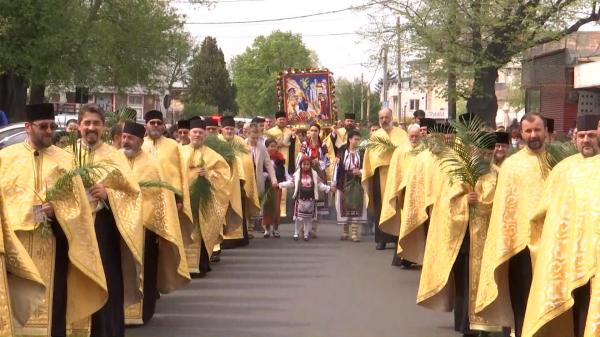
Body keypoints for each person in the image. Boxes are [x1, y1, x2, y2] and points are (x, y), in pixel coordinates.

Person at [0, 103, 106, 337]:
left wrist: (56, 210)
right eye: (43, 127)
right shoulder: (5, 158)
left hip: (53, 243)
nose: (49, 131)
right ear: (28, 127)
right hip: (15, 244)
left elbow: (79, 204)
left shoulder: (66, 160)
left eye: (52, 126)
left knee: (54, 304)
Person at [418, 130, 509, 336]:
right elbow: (446, 202)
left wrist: (485, 204)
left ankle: (486, 322)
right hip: (464, 237)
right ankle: (464, 323)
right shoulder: (458, 173)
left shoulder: (497, 173)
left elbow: (504, 203)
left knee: (485, 280)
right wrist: (463, 202)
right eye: (480, 152)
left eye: (488, 153)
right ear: (473, 151)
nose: (484, 157)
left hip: (487, 238)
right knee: (463, 280)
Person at [522, 115, 600, 337]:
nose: (586, 140)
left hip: (597, 259)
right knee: (573, 313)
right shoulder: (563, 170)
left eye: (591, 136)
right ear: (575, 138)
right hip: (566, 257)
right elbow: (542, 213)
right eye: (582, 136)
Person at [476, 113, 549, 337]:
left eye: (537, 130)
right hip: (521, 246)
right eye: (528, 131)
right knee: (523, 300)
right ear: (521, 134)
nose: (533, 135)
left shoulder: (557, 163)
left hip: (551, 243)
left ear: (545, 131)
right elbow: (503, 209)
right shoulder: (511, 166)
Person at [75, 103, 144, 337]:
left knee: (107, 283)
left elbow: (133, 194)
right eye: (87, 123)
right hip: (75, 231)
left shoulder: (115, 157)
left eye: (96, 123)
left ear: (104, 127)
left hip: (104, 229)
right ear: (79, 126)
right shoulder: (66, 155)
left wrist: (108, 195)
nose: (91, 127)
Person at [119, 121, 190, 325]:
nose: (126, 141)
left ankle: (144, 311)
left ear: (140, 141)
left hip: (145, 227)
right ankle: (120, 311)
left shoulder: (152, 165)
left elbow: (160, 197)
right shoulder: (114, 160)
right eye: (124, 137)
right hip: (118, 227)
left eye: (130, 138)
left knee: (146, 269)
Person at [181, 117, 231, 276]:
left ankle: (198, 266)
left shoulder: (213, 156)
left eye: (201, 133)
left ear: (205, 136)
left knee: (200, 232)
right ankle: (181, 268)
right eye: (195, 132)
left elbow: (224, 176)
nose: (197, 135)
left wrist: (208, 174)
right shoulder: (179, 152)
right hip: (182, 200)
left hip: (203, 201)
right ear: (189, 134)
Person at [141, 110, 194, 254]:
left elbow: (178, 173)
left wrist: (179, 198)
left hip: (168, 199)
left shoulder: (173, 146)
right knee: (146, 241)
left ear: (164, 126)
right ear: (146, 125)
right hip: (144, 200)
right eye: (152, 123)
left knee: (167, 240)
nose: (156, 125)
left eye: (159, 123)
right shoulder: (139, 145)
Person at [362, 107, 411, 250]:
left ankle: (397, 238)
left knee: (396, 205)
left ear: (391, 117)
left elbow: (406, 152)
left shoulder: (402, 134)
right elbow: (369, 156)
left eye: (386, 117)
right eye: (381, 118)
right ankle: (381, 239)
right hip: (380, 175)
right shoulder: (375, 135)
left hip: (397, 175)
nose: (384, 120)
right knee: (380, 207)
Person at [219, 116, 260, 248]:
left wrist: (242, 176)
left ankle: (238, 238)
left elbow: (246, 160)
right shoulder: (216, 142)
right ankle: (222, 237)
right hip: (221, 183)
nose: (229, 131)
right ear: (222, 129)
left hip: (238, 182)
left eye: (231, 129)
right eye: (227, 129)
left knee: (238, 208)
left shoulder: (240, 142)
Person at [279, 155, 334, 241]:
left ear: (310, 165)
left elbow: (319, 185)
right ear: (301, 164)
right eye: (304, 164)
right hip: (300, 199)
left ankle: (306, 234)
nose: (306, 166)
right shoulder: (297, 174)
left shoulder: (314, 174)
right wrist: (281, 185)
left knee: (308, 219)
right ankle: (296, 233)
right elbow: (291, 183)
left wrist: (329, 188)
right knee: (298, 218)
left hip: (310, 200)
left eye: (308, 164)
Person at [296, 123, 330, 238]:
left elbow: (328, 160)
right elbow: (299, 158)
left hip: (319, 173)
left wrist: (319, 162)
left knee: (317, 201)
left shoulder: (323, 145)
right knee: (304, 201)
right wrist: (309, 161)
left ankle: (313, 229)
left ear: (319, 132)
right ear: (308, 132)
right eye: (312, 130)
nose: (314, 132)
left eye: (316, 130)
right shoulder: (304, 144)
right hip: (306, 173)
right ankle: (302, 228)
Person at [332, 130, 365, 242]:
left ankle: (354, 233)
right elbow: (336, 167)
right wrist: (334, 183)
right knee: (344, 206)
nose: (357, 141)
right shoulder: (341, 151)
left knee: (356, 206)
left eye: (358, 139)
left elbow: (367, 166)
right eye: (355, 139)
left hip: (357, 180)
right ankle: (345, 232)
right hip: (344, 180)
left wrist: (360, 171)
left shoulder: (362, 152)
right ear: (350, 139)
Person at [247, 124, 278, 238]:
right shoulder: (243, 145)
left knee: (254, 203)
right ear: (248, 135)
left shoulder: (262, 147)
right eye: (252, 138)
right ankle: (248, 227)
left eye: (256, 138)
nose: (254, 140)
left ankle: (251, 225)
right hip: (245, 179)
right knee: (245, 202)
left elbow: (268, 164)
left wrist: (274, 179)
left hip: (257, 179)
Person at [262, 138, 287, 237]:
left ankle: (276, 228)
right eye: (270, 146)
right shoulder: (263, 157)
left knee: (276, 207)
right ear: (266, 147)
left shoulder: (280, 158)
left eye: (274, 146)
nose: (273, 148)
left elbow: (282, 172)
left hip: (277, 185)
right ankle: (267, 229)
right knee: (266, 206)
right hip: (266, 184)